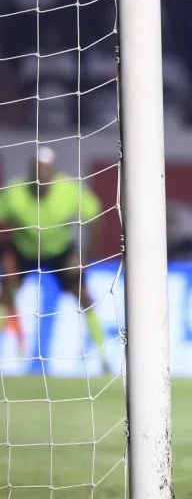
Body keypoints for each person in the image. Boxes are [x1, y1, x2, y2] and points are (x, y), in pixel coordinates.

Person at [0, 146, 109, 373]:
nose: (42, 181)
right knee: (6, 299)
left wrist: (86, 255)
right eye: (38, 175)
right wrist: (5, 253)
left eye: (46, 175)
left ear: (55, 173)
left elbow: (95, 216)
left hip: (61, 253)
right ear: (30, 174)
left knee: (83, 296)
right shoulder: (13, 192)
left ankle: (104, 358)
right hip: (24, 252)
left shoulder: (70, 190)